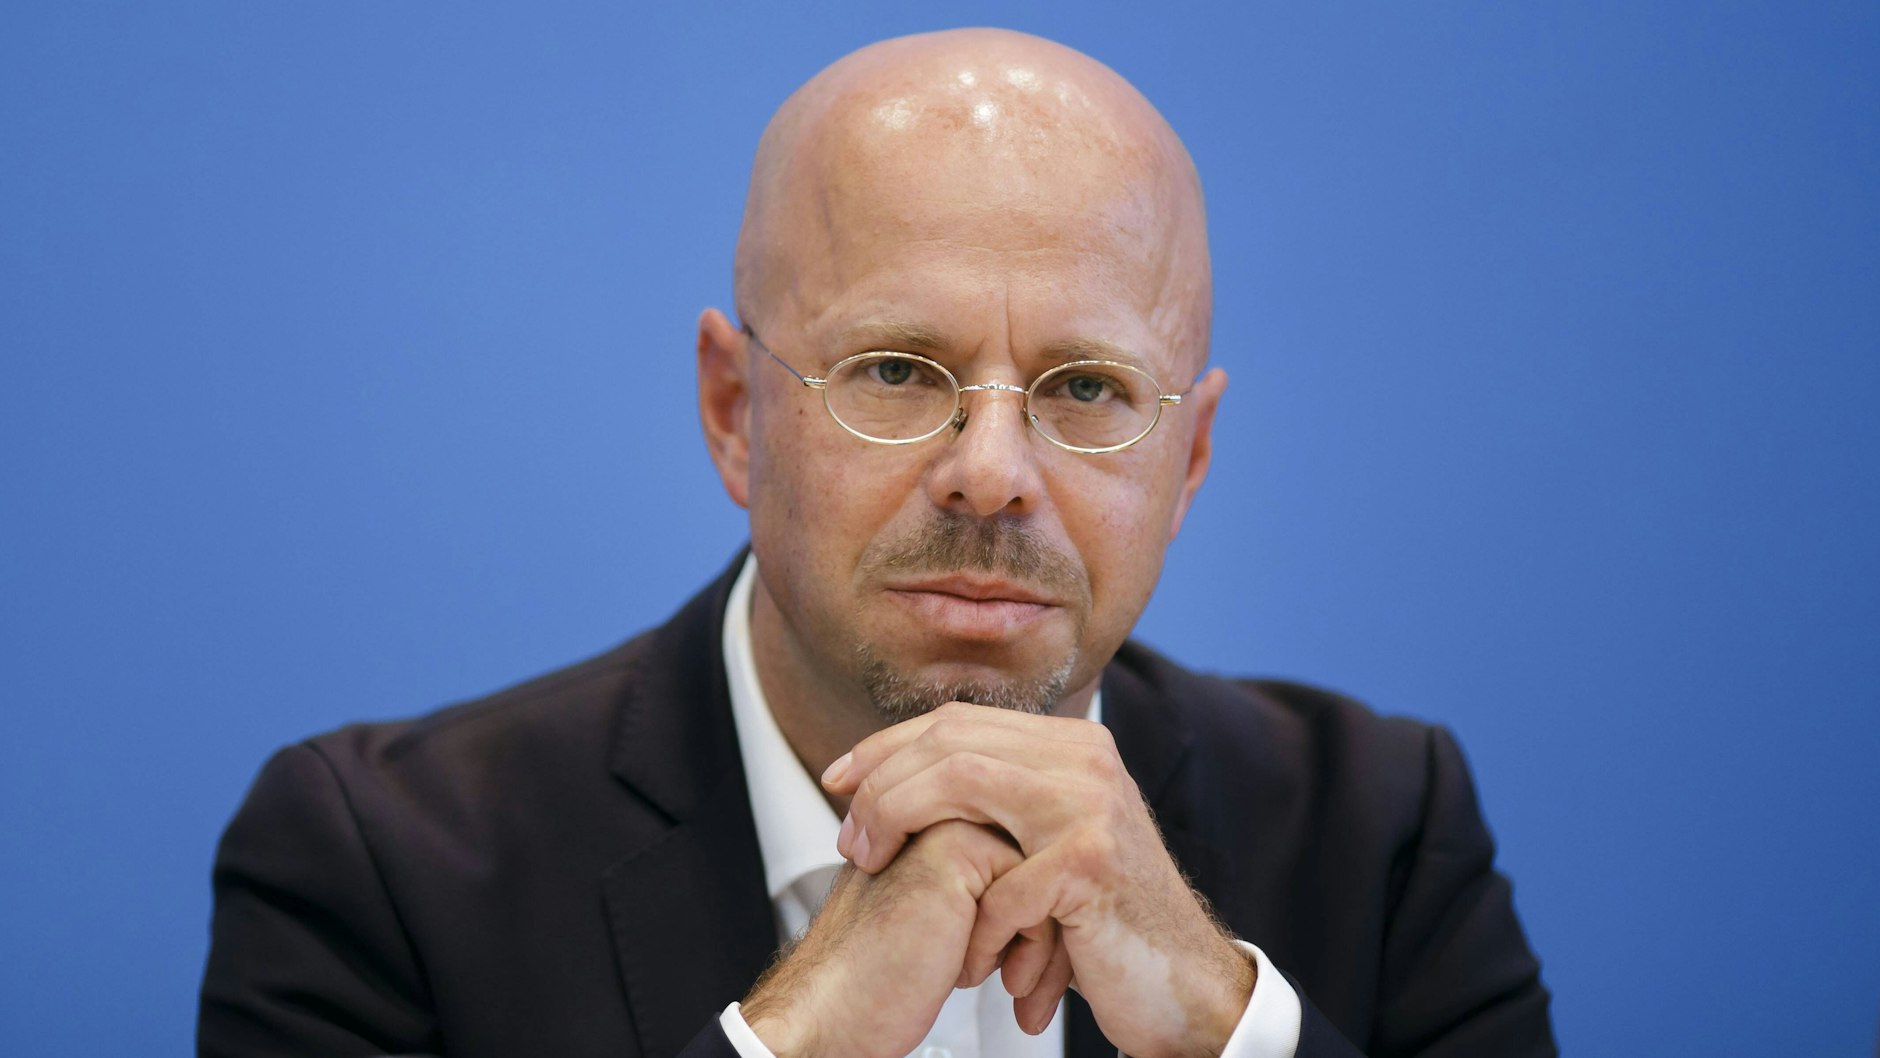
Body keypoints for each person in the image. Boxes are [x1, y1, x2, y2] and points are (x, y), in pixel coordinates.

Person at [198, 27, 1555, 1058]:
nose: (992, 475)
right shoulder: (382, 867)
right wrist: (791, 1039)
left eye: (1087, 388)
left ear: (1187, 460)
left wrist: (1223, 1019)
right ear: (734, 413)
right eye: (898, 371)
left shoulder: (1379, 832)